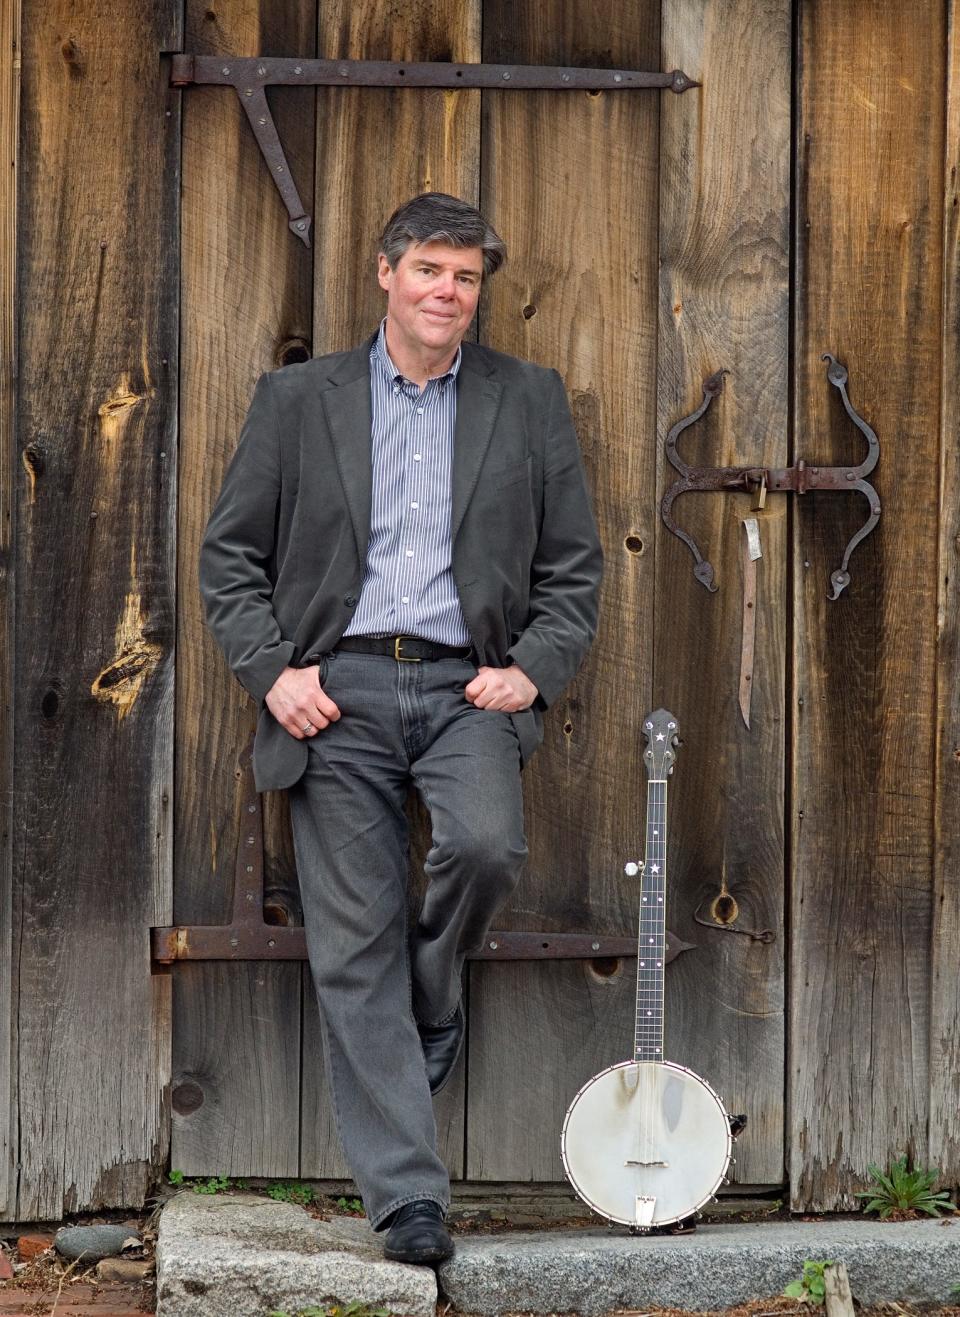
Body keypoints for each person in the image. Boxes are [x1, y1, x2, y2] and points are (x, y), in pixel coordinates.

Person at [199, 192, 603, 1266]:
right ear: (387, 273)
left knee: (482, 848)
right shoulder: (299, 400)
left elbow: (573, 569)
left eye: (466, 277)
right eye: (429, 269)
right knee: (351, 940)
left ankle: (434, 999)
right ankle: (407, 1201)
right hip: (338, 693)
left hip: (468, 688)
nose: (446, 292)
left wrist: (533, 672)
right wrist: (273, 674)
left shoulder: (528, 400)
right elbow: (230, 558)